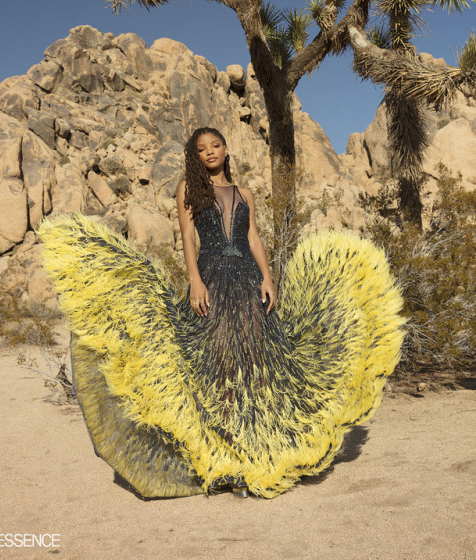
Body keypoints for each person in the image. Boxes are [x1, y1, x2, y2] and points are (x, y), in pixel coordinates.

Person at [38, 126, 406, 500]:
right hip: (212, 280)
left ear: (226, 150)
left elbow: (253, 239)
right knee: (218, 368)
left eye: (215, 146)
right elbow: (187, 238)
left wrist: (268, 278)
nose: (210, 152)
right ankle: (227, 465)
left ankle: (260, 455)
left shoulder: (245, 193)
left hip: (248, 282)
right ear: (195, 156)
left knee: (258, 367)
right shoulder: (189, 189)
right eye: (201, 149)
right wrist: (195, 281)